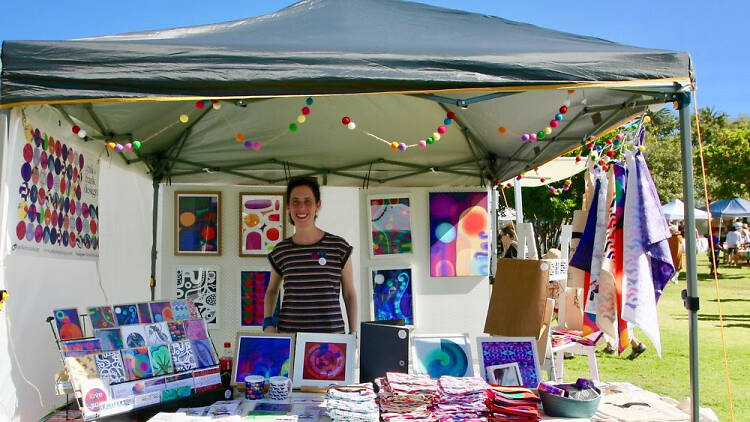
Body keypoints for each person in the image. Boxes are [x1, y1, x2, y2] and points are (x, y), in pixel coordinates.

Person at [262, 176, 358, 334]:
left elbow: (349, 294)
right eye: (295, 201)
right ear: (288, 206)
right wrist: (268, 322)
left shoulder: (339, 247)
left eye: (307, 201)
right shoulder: (281, 251)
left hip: (331, 341)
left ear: (317, 205)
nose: (301, 208)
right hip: (291, 339)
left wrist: (353, 335)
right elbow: (272, 291)